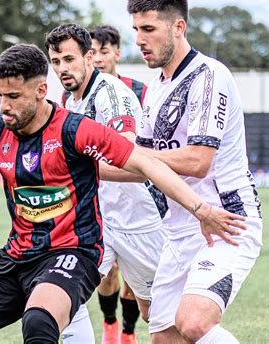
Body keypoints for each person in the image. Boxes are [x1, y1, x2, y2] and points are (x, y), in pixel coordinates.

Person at [0, 44, 246, 344]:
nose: (4, 106)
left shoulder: (76, 130)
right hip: (15, 257)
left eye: (13, 97)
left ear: (40, 91)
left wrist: (200, 208)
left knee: (39, 323)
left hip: (73, 254)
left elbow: (145, 162)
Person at [127, 0, 263, 344]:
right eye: (136, 30)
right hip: (179, 230)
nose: (139, 40)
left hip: (225, 221)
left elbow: (198, 161)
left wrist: (134, 155)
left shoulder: (208, 76)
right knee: (165, 338)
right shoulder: (155, 87)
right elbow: (135, 164)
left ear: (178, 27)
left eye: (149, 29)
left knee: (194, 323)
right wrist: (82, 160)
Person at [46, 23, 167, 344]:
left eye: (69, 60)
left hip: (140, 220)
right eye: (55, 62)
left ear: (89, 58)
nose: (62, 69)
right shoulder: (69, 100)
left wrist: (72, 166)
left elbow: (133, 161)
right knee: (62, 295)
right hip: (95, 222)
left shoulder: (111, 93)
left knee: (156, 315)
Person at [90, 24, 155, 343]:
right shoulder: (73, 94)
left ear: (117, 53)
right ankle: (110, 324)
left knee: (135, 278)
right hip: (100, 199)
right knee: (107, 271)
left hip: (136, 200)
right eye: (93, 52)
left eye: (105, 51)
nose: (99, 58)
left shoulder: (139, 90)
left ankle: (128, 333)